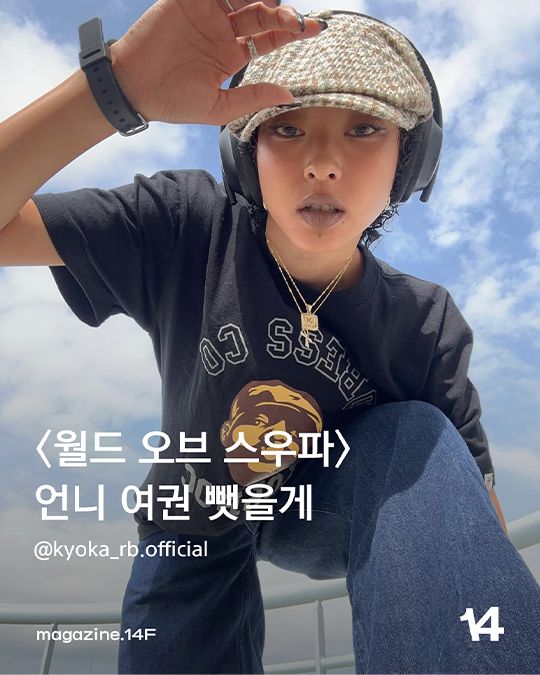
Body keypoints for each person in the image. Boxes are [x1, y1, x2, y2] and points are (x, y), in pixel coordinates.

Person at [0, 1, 539, 673]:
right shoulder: (187, 225)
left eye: (364, 127)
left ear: (411, 158)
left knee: (418, 435)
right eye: (285, 126)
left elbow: (469, 509)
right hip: (190, 517)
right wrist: (117, 87)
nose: (322, 163)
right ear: (244, 152)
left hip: (328, 501)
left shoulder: (425, 322)